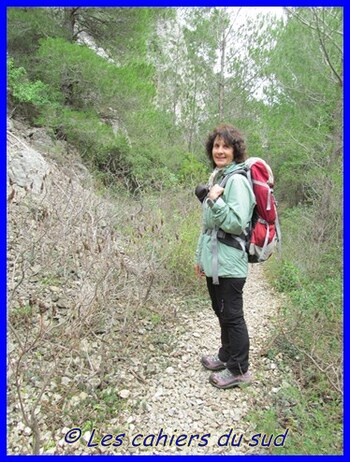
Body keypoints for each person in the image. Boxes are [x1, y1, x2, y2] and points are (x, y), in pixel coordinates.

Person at [194, 123, 256, 389]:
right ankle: (226, 355)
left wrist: (216, 200)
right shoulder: (218, 178)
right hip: (214, 261)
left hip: (231, 263)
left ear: (235, 151)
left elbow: (237, 223)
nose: (220, 151)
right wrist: (200, 257)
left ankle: (240, 369)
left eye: (226, 146)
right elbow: (208, 226)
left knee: (232, 315)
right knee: (220, 312)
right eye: (216, 146)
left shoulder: (238, 181)